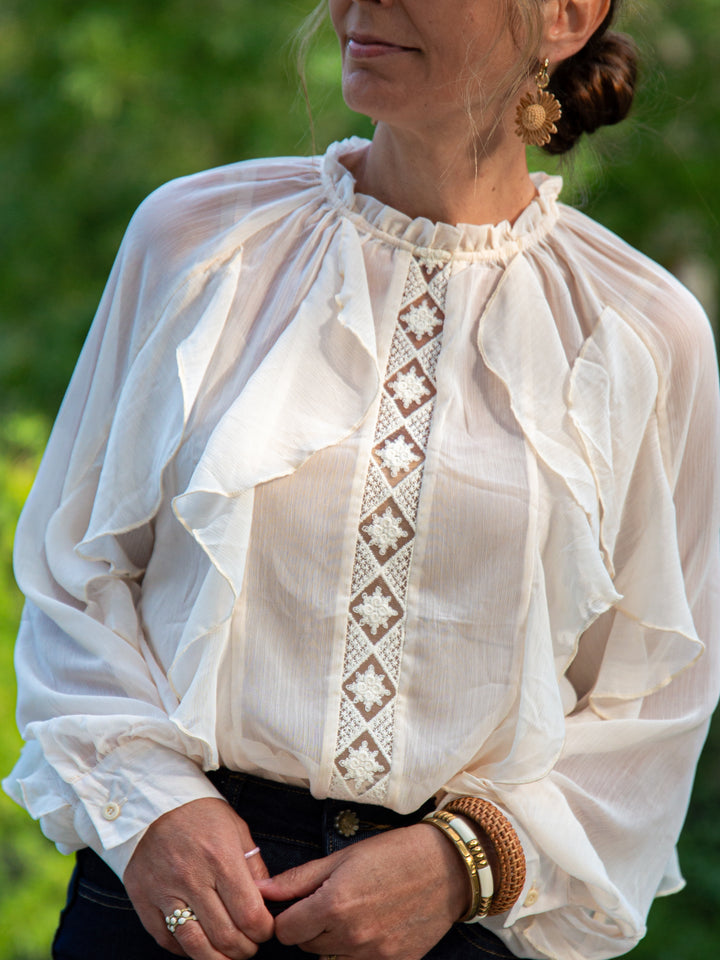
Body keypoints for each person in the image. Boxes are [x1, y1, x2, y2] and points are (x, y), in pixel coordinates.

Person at [4, 1, 720, 959]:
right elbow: (72, 571)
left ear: (565, 14)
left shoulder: (641, 333)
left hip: (454, 923)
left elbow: (658, 703)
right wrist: (151, 807)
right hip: (171, 899)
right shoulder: (200, 241)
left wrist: (464, 861)